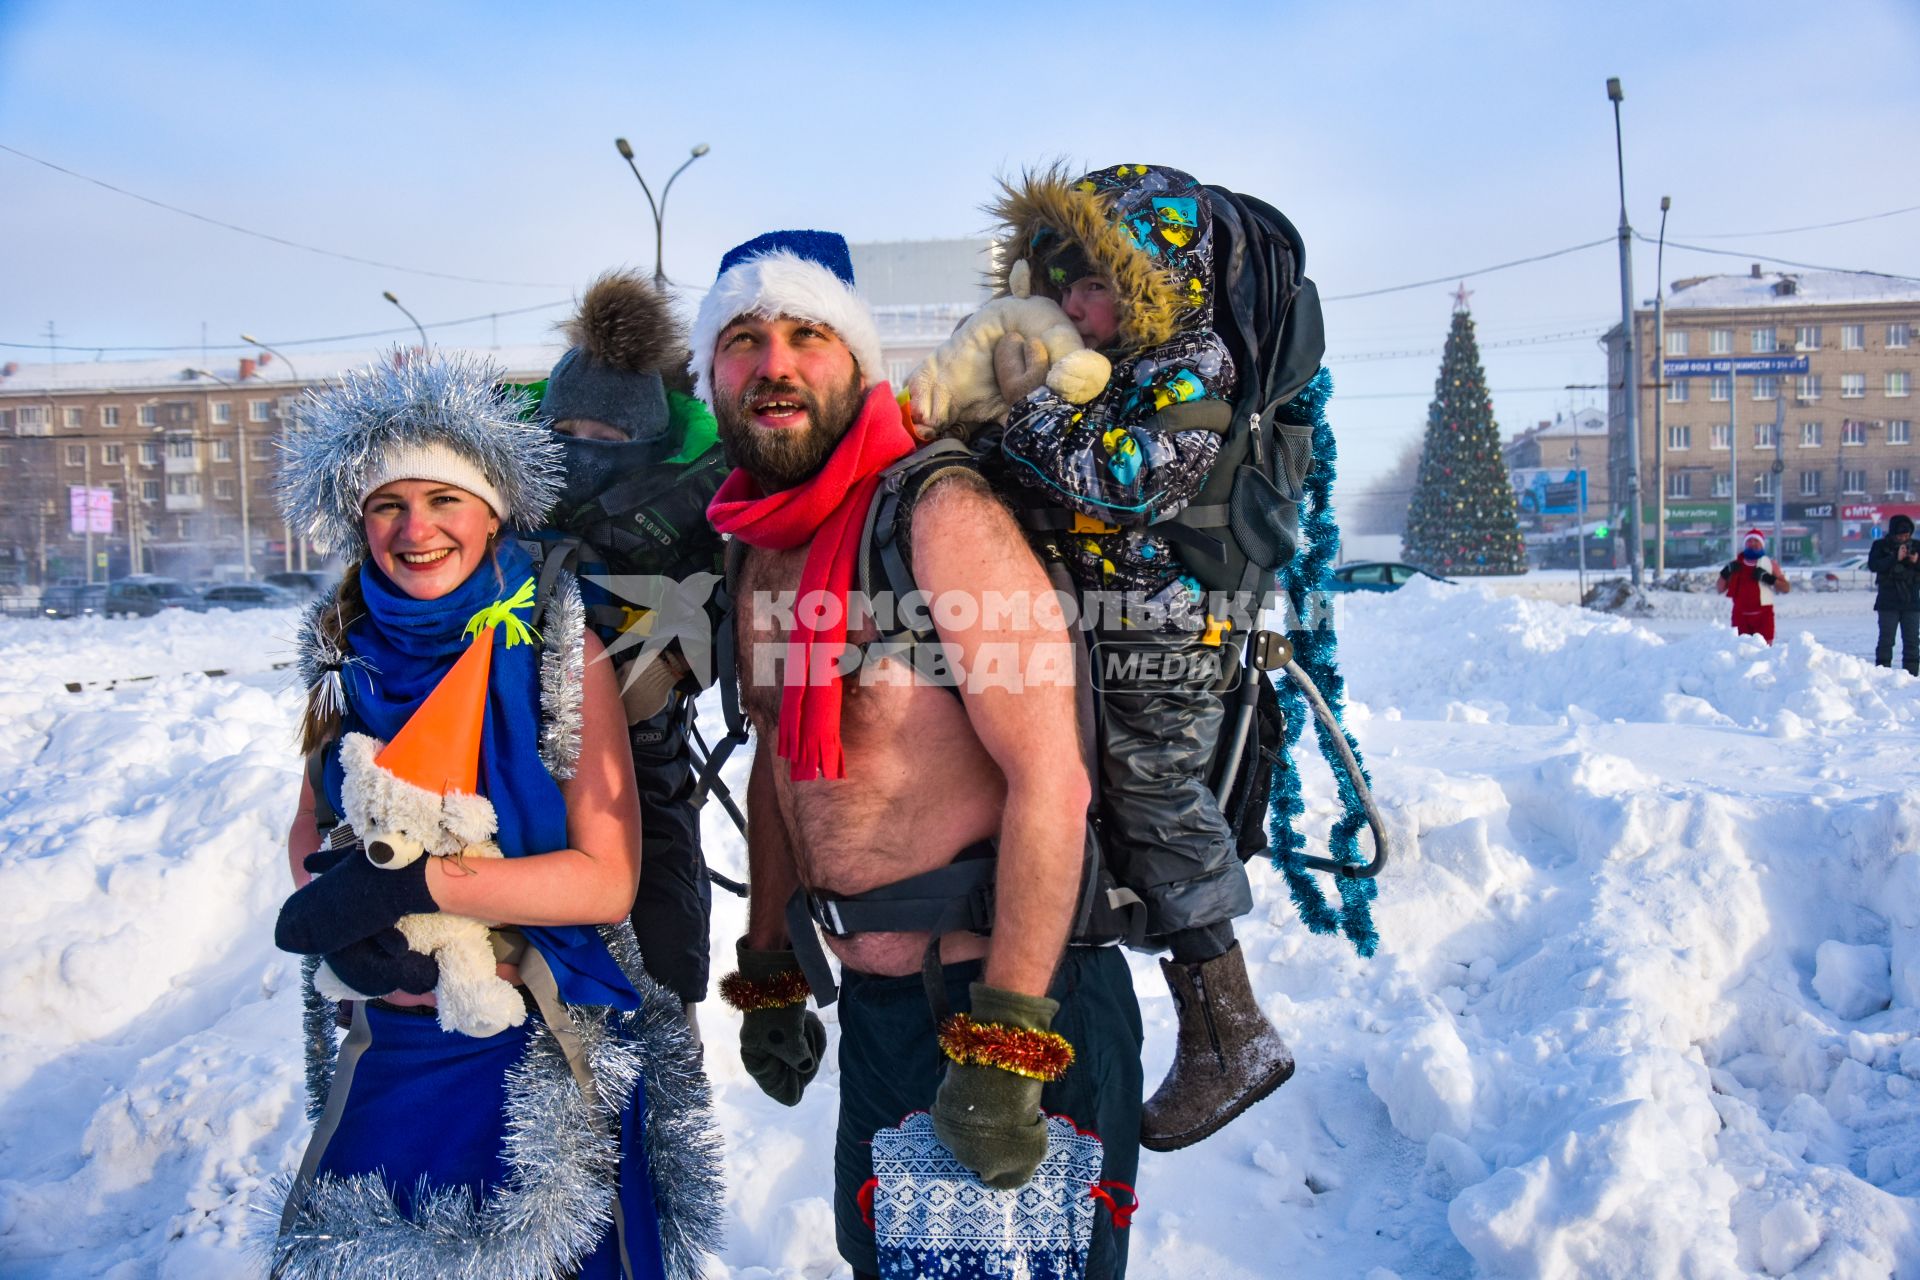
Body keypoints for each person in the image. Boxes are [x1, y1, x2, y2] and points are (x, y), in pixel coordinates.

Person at [693, 230, 1143, 1278]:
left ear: (857, 363)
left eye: (809, 335)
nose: (775, 365)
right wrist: (769, 963)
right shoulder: (763, 543)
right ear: (711, 374)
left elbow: (1051, 778)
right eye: (743, 340)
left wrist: (1007, 1053)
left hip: (1006, 1000)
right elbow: (781, 764)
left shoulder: (937, 511)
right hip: (886, 1012)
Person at [265, 351, 720, 1280]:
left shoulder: (561, 645)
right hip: (396, 1038)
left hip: (534, 1040)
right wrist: (353, 929)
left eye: (444, 501)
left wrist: (422, 883)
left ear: (493, 513)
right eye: (389, 504)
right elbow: (314, 832)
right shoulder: (347, 650)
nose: (416, 528)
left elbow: (604, 879)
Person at [987, 163, 1294, 1150]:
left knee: (1153, 788)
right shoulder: (1108, 368)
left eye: (1101, 285)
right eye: (1066, 286)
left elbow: (1122, 483)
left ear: (1161, 280)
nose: (1079, 306)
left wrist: (1022, 408)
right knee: (1100, 798)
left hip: (1165, 626)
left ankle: (1235, 1028)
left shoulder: (1192, 363)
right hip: (1098, 618)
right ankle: (1193, 1030)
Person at [535, 269, 727, 1026]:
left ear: (645, 436)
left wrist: (667, 667)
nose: (585, 450)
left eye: (608, 438)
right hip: (516, 760)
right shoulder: (508, 487)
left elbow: (726, 621)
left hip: (645, 765)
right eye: (570, 434)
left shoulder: (698, 496)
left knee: (659, 965)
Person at [1867, 512, 1920, 675]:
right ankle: (1882, 674)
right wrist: (1894, 558)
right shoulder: (1881, 546)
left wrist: (1916, 561)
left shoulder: (1917, 546)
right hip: (1888, 602)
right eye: (1900, 535)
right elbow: (1874, 565)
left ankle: (1911, 676)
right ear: (1893, 533)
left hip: (1911, 601)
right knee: (1886, 640)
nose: (1904, 538)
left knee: (1912, 641)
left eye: (1907, 535)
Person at [1718, 528, 1790, 645]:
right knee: (1741, 651)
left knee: (1765, 651)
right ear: (1745, 544)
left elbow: (1786, 588)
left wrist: (1769, 578)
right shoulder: (1736, 565)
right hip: (1740, 616)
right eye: (1749, 541)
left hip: (1763, 617)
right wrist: (1725, 573)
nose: (1752, 544)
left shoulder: (1770, 564)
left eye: (1756, 541)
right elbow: (1720, 588)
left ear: (1762, 544)